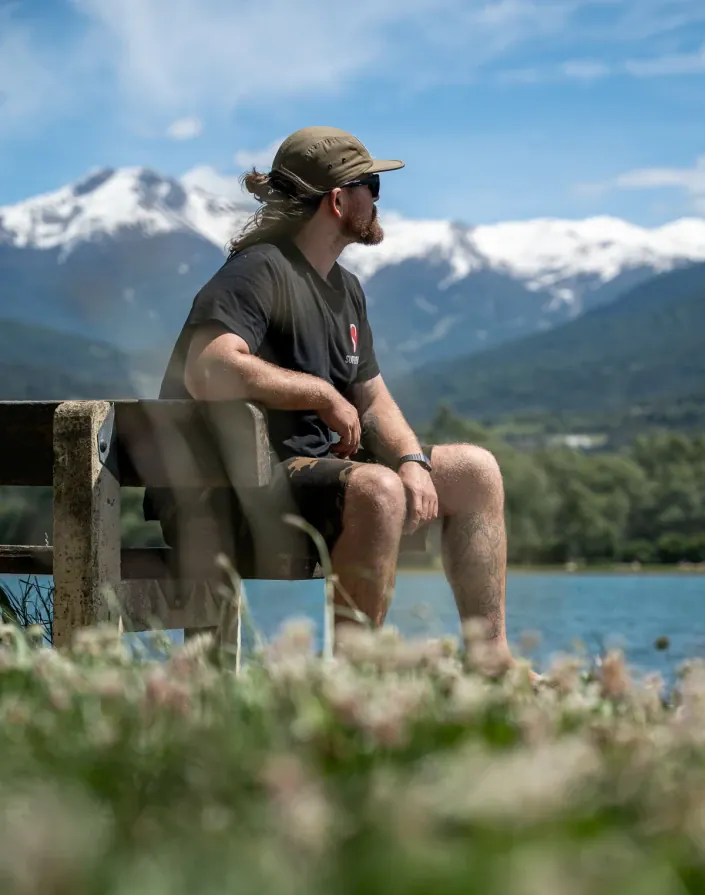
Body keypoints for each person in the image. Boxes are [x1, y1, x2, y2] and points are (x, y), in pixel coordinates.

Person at [146, 126, 526, 678]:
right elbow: (209, 367)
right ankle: (355, 683)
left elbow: (371, 398)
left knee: (474, 471)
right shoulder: (258, 270)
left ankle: (492, 665)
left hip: (306, 479)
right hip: (229, 500)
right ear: (338, 200)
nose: (377, 200)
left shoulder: (345, 289)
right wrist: (319, 392)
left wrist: (412, 460)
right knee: (376, 489)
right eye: (372, 186)